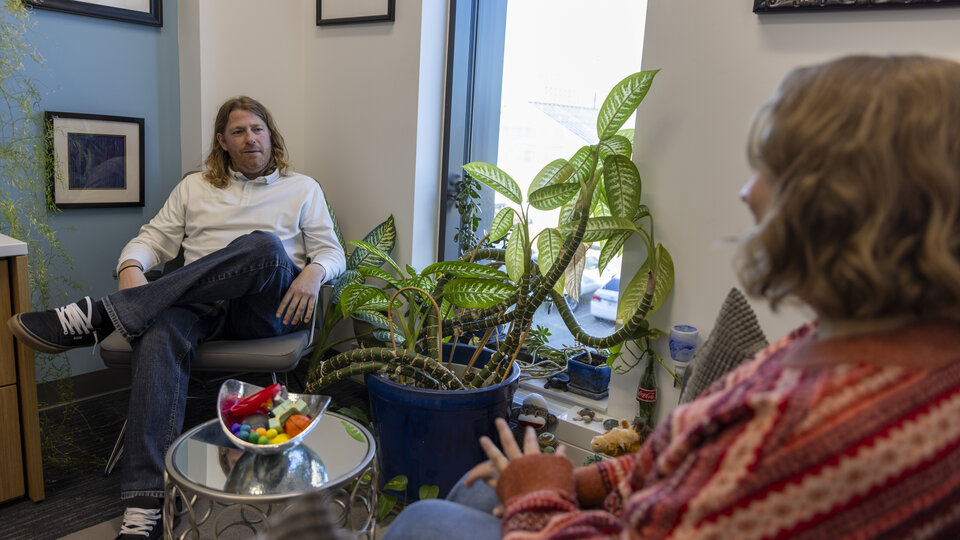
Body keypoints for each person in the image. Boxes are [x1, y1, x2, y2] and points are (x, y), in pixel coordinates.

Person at [382, 54, 960, 539]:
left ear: (846, 208)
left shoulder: (799, 438)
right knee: (475, 488)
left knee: (426, 519)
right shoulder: (871, 339)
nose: (746, 192)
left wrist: (540, 496)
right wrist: (589, 480)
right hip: (636, 505)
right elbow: (693, 460)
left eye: (773, 171)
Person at [7, 96, 345, 540]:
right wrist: (131, 266)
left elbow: (331, 250)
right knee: (159, 329)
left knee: (263, 246)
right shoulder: (195, 188)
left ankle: (98, 315)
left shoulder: (302, 188)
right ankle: (143, 509)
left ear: (271, 135)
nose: (250, 138)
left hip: (265, 307)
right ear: (222, 141)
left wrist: (314, 272)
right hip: (198, 304)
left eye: (258, 129)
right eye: (239, 131)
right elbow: (153, 240)